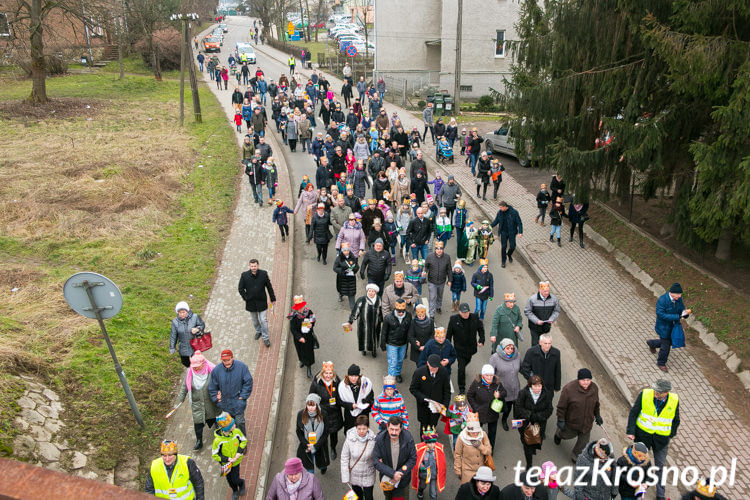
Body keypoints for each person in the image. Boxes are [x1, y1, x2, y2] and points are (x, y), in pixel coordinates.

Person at [626, 379, 680, 500]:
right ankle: (635, 486)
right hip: (642, 437)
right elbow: (634, 413)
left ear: (666, 392)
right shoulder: (645, 394)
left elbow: (676, 420)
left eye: (659, 392)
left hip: (661, 441)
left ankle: (660, 495)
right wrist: (630, 431)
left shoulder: (674, 400)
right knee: (638, 462)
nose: (655, 393)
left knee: (659, 467)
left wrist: (670, 434)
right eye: (655, 390)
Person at [174, 351, 220, 450]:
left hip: (211, 403)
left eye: (197, 366)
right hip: (197, 403)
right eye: (193, 366)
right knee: (198, 423)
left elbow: (220, 384)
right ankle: (199, 440)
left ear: (203, 363)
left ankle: (219, 430)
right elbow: (184, 388)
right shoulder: (190, 373)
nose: (195, 368)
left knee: (214, 417)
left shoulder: (212, 371)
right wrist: (179, 402)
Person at [554, 368, 602, 462]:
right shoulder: (569, 389)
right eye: (583, 380)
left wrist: (597, 415)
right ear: (578, 379)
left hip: (587, 423)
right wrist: (561, 419)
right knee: (566, 435)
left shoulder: (594, 388)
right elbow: (561, 407)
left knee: (583, 443)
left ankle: (575, 457)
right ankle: (558, 434)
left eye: (588, 380)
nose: (586, 382)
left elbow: (596, 404)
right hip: (572, 423)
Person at [208, 350, 253, 438]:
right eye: (224, 361)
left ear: (232, 358)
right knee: (228, 425)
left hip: (238, 403)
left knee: (240, 423)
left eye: (228, 360)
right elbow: (212, 387)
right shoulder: (216, 371)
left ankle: (242, 442)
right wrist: (217, 400)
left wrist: (243, 397)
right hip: (225, 405)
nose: (227, 362)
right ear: (221, 360)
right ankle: (232, 442)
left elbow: (248, 382)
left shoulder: (242, 367)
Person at [647, 282, 691, 372]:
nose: (679, 296)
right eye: (678, 294)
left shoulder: (679, 300)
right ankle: (661, 363)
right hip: (663, 327)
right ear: (671, 292)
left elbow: (682, 309)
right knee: (666, 347)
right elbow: (661, 314)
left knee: (670, 342)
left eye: (680, 294)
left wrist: (685, 314)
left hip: (674, 327)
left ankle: (652, 343)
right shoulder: (662, 300)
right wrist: (677, 316)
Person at [372, 416, 417, 500]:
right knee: (388, 497)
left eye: (396, 430)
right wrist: (392, 474)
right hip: (387, 479)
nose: (393, 432)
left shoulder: (408, 438)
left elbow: (413, 458)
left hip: (403, 480)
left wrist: (400, 473)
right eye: (391, 429)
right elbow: (375, 461)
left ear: (401, 429)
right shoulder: (380, 439)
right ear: (387, 428)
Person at [514, 374, 554, 469]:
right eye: (535, 386)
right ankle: (529, 464)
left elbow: (549, 410)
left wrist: (538, 416)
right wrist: (529, 415)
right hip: (524, 423)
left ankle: (532, 448)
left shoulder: (546, 394)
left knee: (535, 441)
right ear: (530, 386)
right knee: (526, 443)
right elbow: (518, 407)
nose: (537, 388)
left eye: (539, 386)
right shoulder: (523, 393)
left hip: (538, 424)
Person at [447, 302, 485, 393]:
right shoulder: (453, 320)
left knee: (468, 360)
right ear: (459, 312)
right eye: (464, 312)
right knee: (461, 368)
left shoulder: (475, 318)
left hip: (471, 348)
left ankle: (464, 366)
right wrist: (447, 347)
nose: (466, 314)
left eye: (467, 312)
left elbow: (480, 329)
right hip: (459, 349)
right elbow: (449, 334)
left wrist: (481, 339)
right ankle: (462, 388)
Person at [309, 361, 344, 460]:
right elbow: (311, 397)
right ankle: (323, 454)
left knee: (333, 434)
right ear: (322, 373)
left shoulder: (337, 382)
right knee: (322, 434)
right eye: (326, 373)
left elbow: (342, 395)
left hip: (334, 413)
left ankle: (333, 448)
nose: (328, 375)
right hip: (322, 413)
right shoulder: (317, 383)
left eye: (330, 373)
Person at [238, 259, 276, 348]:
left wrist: (272, 298)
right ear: (249, 266)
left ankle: (265, 337)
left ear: (258, 265)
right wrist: (246, 297)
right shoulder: (244, 275)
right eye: (251, 266)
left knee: (263, 320)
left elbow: (269, 287)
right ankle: (259, 331)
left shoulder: (263, 274)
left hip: (262, 301)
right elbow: (240, 288)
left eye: (255, 266)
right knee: (254, 320)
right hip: (251, 303)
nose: (253, 268)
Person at [466, 365, 504, 454]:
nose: (490, 377)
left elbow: (504, 392)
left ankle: (490, 450)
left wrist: (500, 395)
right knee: (476, 432)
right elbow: (469, 395)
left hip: (493, 413)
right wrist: (476, 407)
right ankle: (475, 449)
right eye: (487, 375)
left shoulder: (497, 383)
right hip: (480, 413)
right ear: (482, 375)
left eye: (491, 375)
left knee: (492, 433)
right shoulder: (476, 383)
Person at [410, 353, 452, 431]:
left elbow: (447, 391)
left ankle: (431, 439)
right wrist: (424, 398)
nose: (434, 370)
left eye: (436, 368)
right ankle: (424, 441)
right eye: (432, 367)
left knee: (433, 424)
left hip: (437, 406)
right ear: (427, 363)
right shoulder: (419, 372)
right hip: (423, 406)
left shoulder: (444, 372)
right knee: (424, 426)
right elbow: (413, 389)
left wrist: (445, 406)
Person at [340, 415, 377, 500]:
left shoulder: (373, 440)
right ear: (356, 428)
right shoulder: (350, 439)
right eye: (359, 428)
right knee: (358, 497)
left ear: (368, 428)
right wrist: (345, 476)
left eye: (364, 429)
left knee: (369, 497)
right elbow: (344, 458)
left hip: (368, 473)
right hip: (354, 474)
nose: (361, 431)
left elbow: (377, 456)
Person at [211, 412, 247, 499]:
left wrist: (239, 453)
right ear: (226, 429)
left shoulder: (237, 432)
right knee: (229, 480)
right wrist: (227, 459)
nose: (234, 425)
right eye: (232, 425)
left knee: (235, 478)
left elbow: (243, 441)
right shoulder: (218, 441)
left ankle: (241, 483)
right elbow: (215, 455)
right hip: (226, 464)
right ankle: (235, 490)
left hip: (236, 462)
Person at [489, 339, 521, 431]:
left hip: (514, 387)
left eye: (512, 348)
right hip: (502, 389)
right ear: (502, 348)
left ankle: (504, 420)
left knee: (510, 406)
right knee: (504, 407)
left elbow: (522, 368)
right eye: (508, 348)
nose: (510, 350)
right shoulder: (495, 358)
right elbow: (490, 374)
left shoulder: (517, 356)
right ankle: (497, 419)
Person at [296, 393, 331, 475]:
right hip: (306, 446)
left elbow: (325, 433)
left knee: (322, 462)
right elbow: (298, 431)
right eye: (308, 405)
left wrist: (315, 446)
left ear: (317, 405)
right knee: (309, 469)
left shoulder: (324, 415)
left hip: (320, 445)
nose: (310, 408)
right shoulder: (301, 414)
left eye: (313, 405)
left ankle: (323, 468)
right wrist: (306, 444)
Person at [453, 413, 492, 484]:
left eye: (477, 431)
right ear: (468, 430)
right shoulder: (461, 438)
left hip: (481, 470)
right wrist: (458, 470)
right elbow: (457, 454)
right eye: (473, 432)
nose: (475, 434)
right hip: (467, 471)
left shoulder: (483, 435)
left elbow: (488, 451)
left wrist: (481, 446)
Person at [381, 298, 412, 383]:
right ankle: (391, 377)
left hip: (403, 343)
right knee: (392, 361)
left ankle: (397, 373)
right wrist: (383, 345)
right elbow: (384, 332)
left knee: (400, 360)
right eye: (399, 311)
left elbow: (410, 330)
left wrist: (411, 341)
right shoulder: (388, 317)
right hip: (392, 344)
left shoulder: (408, 316)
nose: (401, 313)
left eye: (402, 311)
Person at [411, 426, 447, 499]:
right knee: (422, 486)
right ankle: (420, 491)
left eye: (433, 442)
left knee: (433, 493)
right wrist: (422, 467)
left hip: (433, 474)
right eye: (429, 443)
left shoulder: (438, 449)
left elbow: (442, 462)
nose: (432, 445)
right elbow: (417, 461)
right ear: (426, 443)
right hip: (425, 474)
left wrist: (439, 471)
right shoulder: (421, 450)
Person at [523, 281, 561, 346]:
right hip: (534, 327)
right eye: (545, 291)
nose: (547, 293)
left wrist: (552, 318)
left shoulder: (554, 299)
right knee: (535, 344)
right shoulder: (532, 299)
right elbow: (527, 311)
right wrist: (536, 321)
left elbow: (556, 311)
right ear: (540, 290)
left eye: (548, 291)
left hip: (546, 327)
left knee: (544, 344)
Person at [288, 295, 317, 378]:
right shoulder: (293, 316)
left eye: (301, 307)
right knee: (300, 351)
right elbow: (293, 329)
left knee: (308, 353)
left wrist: (311, 325)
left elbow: (313, 320)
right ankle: (301, 360)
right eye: (298, 308)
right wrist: (299, 337)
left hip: (308, 337)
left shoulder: (309, 312)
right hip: (299, 339)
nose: (300, 309)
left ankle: (308, 367)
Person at [338, 364, 374, 432]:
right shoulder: (342, 386)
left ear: (359, 375)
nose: (353, 378)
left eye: (356, 376)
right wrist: (351, 405)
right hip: (350, 414)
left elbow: (370, 394)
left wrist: (366, 401)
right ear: (348, 375)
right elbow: (340, 401)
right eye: (351, 376)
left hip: (363, 413)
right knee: (350, 431)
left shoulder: (365, 383)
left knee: (363, 431)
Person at [170, 301, 206, 367]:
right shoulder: (175, 322)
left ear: (187, 311)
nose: (182, 314)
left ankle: (197, 373)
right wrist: (172, 347)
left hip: (195, 346)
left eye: (183, 312)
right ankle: (190, 370)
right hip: (183, 347)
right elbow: (173, 335)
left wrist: (197, 329)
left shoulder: (195, 317)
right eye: (180, 312)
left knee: (197, 363)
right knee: (185, 363)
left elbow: (202, 325)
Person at [490, 201, 523, 268]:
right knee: (503, 247)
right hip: (503, 232)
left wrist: (520, 232)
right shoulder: (500, 213)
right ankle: (503, 261)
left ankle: (509, 254)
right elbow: (496, 221)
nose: (500, 209)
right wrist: (489, 226)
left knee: (513, 246)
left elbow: (519, 222)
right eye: (499, 207)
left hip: (512, 232)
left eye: (501, 207)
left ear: (505, 207)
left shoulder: (514, 212)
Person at [425, 241, 452, 317]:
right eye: (437, 248)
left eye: (441, 248)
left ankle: (438, 306)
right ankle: (432, 314)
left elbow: (449, 269)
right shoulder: (429, 256)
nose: (439, 250)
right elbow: (426, 266)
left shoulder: (447, 257)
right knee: (432, 297)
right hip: (432, 281)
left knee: (440, 295)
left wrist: (450, 280)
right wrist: (425, 272)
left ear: (443, 249)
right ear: (435, 249)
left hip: (442, 281)